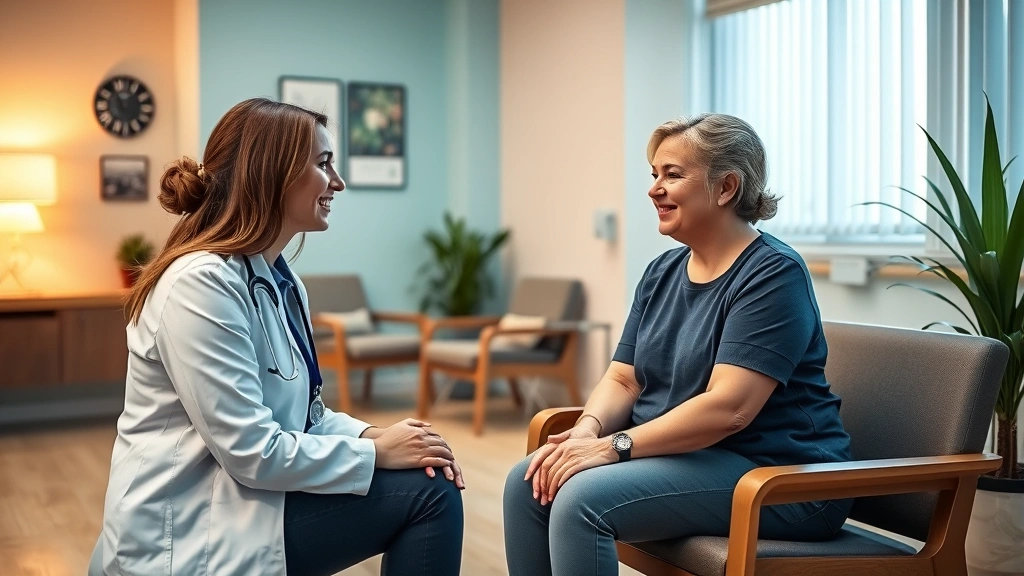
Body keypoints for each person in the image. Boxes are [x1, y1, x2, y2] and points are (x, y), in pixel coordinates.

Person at [89, 98, 464, 576]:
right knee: (429, 494)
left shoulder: (279, 282)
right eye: (324, 164)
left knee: (427, 477)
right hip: (187, 532)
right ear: (273, 172)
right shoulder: (198, 284)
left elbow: (306, 415)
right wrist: (375, 453)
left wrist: (378, 435)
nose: (338, 182)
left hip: (244, 504)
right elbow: (249, 449)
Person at [503, 114, 853, 575]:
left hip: (780, 478)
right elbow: (624, 379)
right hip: (695, 459)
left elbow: (730, 408)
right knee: (526, 484)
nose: (654, 189)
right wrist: (588, 430)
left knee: (580, 500)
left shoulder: (773, 274)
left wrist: (613, 447)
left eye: (672, 174)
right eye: (654, 175)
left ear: (726, 188)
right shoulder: (661, 272)